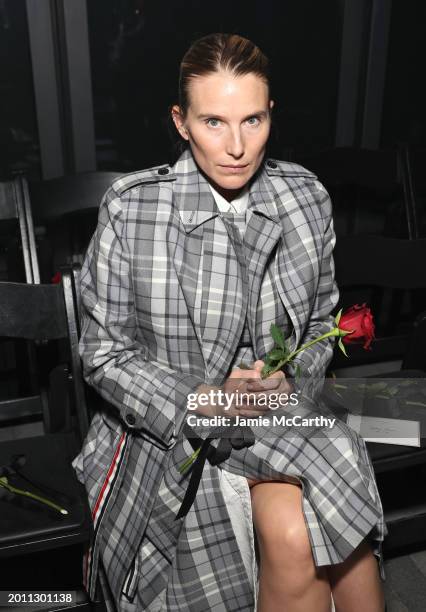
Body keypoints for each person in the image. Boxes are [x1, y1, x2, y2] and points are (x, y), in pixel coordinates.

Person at [72, 33, 387, 612]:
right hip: (172, 427)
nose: (238, 146)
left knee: (305, 533)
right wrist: (207, 400)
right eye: (214, 121)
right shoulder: (135, 209)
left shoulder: (304, 197)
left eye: (254, 120)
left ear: (272, 117)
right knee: (299, 531)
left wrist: (289, 381)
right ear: (181, 122)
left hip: (278, 408)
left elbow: (320, 322)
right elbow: (103, 355)